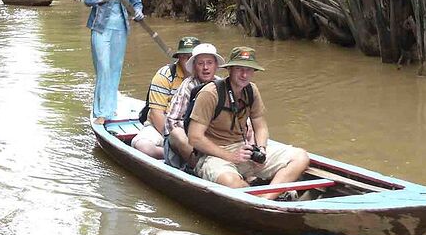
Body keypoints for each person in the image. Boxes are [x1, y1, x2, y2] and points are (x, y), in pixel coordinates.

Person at [187, 47, 309, 200]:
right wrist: (230, 156)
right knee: (231, 183)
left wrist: (261, 149)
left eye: (249, 70)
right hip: (214, 155)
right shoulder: (210, 94)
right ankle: (257, 191)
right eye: (239, 69)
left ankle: (267, 198)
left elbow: (260, 125)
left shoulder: (251, 90)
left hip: (244, 150)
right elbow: (194, 138)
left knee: (301, 156)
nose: (244, 75)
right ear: (230, 70)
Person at [84, 0, 144, 124]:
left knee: (115, 69)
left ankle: (109, 109)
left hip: (121, 30)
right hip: (100, 29)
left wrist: (139, 11)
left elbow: (137, 1)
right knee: (103, 67)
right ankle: (102, 112)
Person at [131, 36, 202, 159]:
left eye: (193, 57)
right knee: (143, 147)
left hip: (195, 129)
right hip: (161, 127)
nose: (189, 61)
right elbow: (156, 114)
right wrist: (174, 142)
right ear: (179, 58)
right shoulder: (165, 75)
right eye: (185, 57)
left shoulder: (206, 77)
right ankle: (175, 155)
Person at [164, 43, 226, 169]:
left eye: (209, 63)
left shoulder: (223, 85)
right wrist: (199, 135)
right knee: (177, 134)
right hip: (189, 141)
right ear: (194, 67)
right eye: (200, 63)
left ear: (216, 65)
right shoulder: (188, 86)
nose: (205, 68)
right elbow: (172, 122)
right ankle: (199, 169)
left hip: (216, 137)